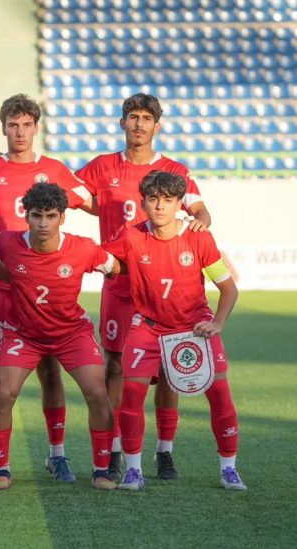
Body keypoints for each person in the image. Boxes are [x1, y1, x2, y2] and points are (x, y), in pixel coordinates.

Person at [75, 93, 211, 480]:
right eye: (132, 116)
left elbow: (200, 210)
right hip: (120, 285)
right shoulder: (102, 167)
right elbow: (70, 195)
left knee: (168, 369)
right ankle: (116, 447)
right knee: (115, 366)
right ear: (122, 123)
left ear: (157, 125)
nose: (139, 123)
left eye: (146, 118)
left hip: (164, 289)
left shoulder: (174, 170)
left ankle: (164, 451)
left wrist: (200, 222)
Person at [0, 93, 93, 482]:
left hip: (45, 284)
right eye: (13, 125)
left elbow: (90, 199)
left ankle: (57, 454)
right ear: (3, 128)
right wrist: (1, 246)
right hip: (3, 285)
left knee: (50, 370)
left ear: (36, 128)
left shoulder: (53, 169)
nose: (20, 132)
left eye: (26, 125)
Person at [102, 170, 245, 491]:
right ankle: (134, 470)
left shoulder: (198, 237)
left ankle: (229, 469)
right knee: (131, 394)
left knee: (220, 393)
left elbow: (228, 288)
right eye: (153, 199)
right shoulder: (131, 236)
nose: (160, 206)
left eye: (168, 200)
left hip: (193, 328)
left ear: (180, 203)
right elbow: (100, 257)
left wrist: (218, 322)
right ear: (143, 202)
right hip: (148, 328)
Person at [0, 183, 117, 490]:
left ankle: (102, 470)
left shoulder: (83, 248)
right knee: (3, 393)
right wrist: (14, 275)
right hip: (23, 334)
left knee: (97, 392)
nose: (43, 223)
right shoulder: (6, 242)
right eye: (37, 216)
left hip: (71, 333)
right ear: (26, 216)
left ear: (62, 218)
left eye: (51, 216)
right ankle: (0, 468)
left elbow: (115, 267)